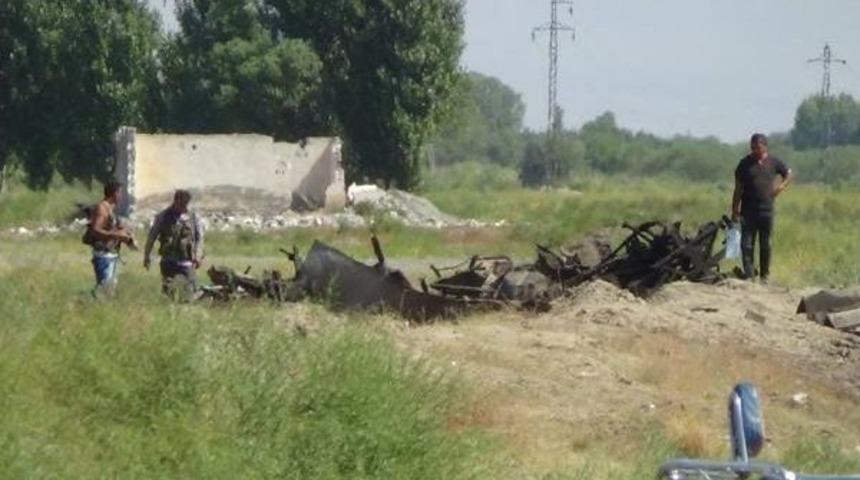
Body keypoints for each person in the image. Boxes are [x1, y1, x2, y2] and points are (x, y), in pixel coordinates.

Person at [731, 133, 794, 283]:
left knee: (766, 244)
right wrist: (734, 209)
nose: (754, 150)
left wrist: (780, 188)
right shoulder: (744, 164)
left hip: (766, 210)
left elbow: (789, 174)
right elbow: (738, 188)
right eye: (752, 147)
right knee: (746, 244)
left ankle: (765, 276)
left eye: (757, 147)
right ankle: (749, 275)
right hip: (748, 210)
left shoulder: (773, 162)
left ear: (764, 146)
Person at [143, 189, 205, 294]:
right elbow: (152, 237)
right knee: (168, 292)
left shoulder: (193, 217)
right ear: (176, 201)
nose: (184, 207)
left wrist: (198, 256)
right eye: (182, 204)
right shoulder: (163, 216)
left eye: (186, 204)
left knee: (191, 292)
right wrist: (147, 256)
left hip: (187, 262)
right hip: (168, 261)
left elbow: (200, 238)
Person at [86, 180, 135, 295]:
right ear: (115, 193)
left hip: (111, 255)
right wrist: (116, 235)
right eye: (120, 193)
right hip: (104, 255)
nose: (121, 196)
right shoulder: (102, 208)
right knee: (105, 291)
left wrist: (128, 236)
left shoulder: (110, 209)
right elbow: (95, 230)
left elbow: (112, 227)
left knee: (109, 290)